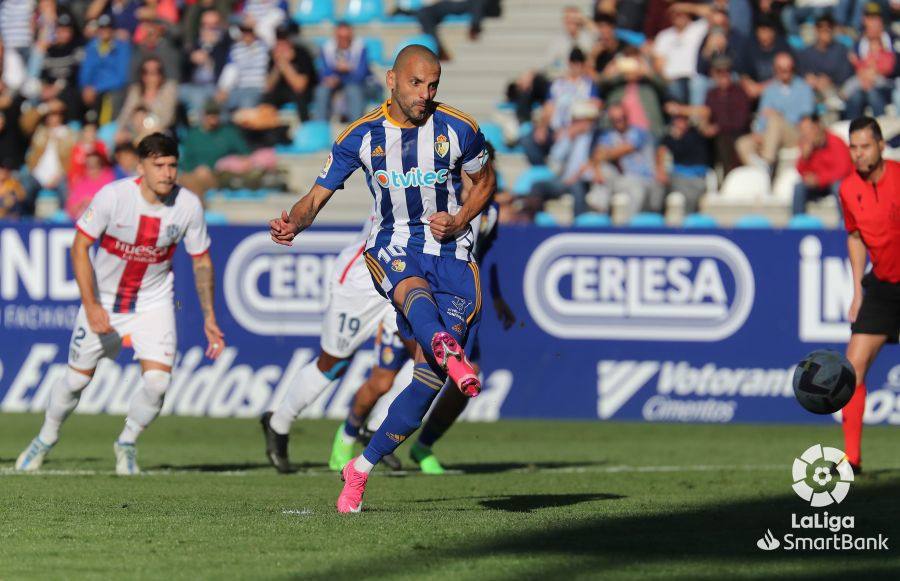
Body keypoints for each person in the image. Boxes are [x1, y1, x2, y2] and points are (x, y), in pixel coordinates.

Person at [269, 44, 495, 513]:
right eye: (416, 83)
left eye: (433, 85)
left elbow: (485, 181)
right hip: (392, 245)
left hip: (450, 248)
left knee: (427, 380)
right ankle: (447, 349)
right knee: (410, 294)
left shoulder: (460, 128)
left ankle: (361, 467)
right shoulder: (360, 135)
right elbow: (315, 198)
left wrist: (460, 218)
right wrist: (292, 222)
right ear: (391, 79)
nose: (425, 94)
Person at [15, 133, 226, 475]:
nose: (167, 173)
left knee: (158, 383)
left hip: (153, 302)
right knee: (75, 382)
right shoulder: (114, 197)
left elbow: (201, 261)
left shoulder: (188, 206)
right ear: (140, 167)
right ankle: (46, 437)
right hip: (105, 300)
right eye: (159, 166)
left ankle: (127, 441)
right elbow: (80, 247)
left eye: (172, 165)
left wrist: (209, 316)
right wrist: (92, 305)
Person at [837, 116, 900, 475]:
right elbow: (856, 235)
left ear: (880, 146)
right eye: (853, 147)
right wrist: (858, 291)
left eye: (865, 146)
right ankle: (851, 459)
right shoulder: (848, 189)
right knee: (852, 370)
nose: (859, 154)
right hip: (882, 286)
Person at [312, 22, 372, 123]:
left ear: (351, 36)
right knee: (321, 91)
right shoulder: (327, 48)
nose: (344, 40)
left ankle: (355, 128)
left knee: (353, 90)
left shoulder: (360, 48)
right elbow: (324, 74)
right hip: (336, 83)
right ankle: (320, 127)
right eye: (340, 37)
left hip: (355, 83)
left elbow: (361, 75)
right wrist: (336, 72)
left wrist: (344, 71)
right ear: (336, 36)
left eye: (346, 37)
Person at [792, 115, 852, 215]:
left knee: (838, 187)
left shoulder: (835, 142)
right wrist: (804, 158)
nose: (804, 133)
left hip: (835, 183)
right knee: (799, 187)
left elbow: (843, 170)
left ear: (817, 127)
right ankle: (797, 224)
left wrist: (819, 180)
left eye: (807, 129)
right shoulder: (807, 144)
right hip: (819, 186)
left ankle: (844, 223)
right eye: (802, 130)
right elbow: (800, 171)